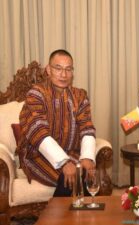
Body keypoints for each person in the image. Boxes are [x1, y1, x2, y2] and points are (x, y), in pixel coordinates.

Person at [16, 49, 96, 196]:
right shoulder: (36, 94)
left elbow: (87, 127)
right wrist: (64, 163)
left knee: (87, 173)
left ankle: (84, 216)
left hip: (71, 152)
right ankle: (57, 219)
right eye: (58, 68)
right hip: (37, 155)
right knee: (68, 178)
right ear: (48, 69)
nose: (63, 75)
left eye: (68, 69)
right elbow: (38, 131)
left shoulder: (80, 95)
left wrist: (87, 157)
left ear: (72, 72)